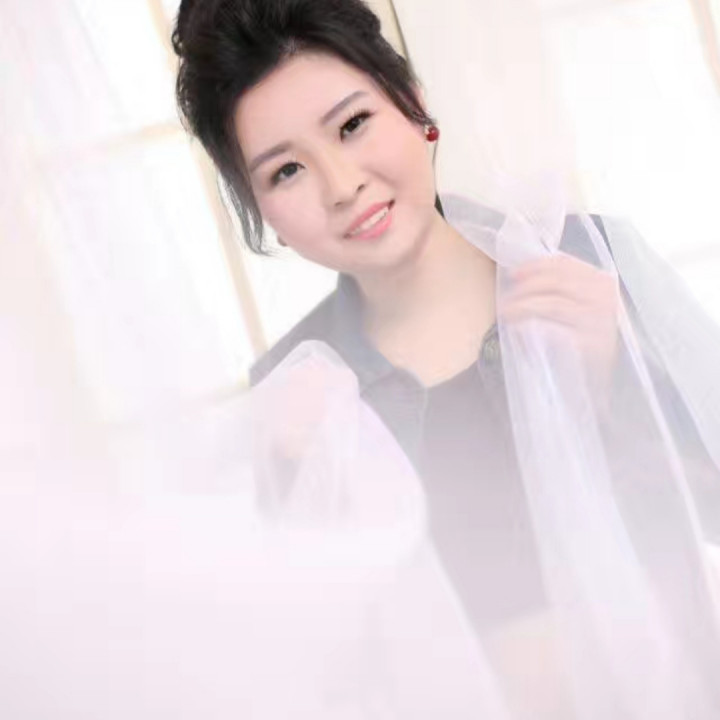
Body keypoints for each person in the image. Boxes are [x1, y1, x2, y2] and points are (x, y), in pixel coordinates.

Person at [172, 0, 720, 717]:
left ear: (412, 101)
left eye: (352, 124)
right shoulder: (292, 394)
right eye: (287, 171)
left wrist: (613, 379)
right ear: (259, 207)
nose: (342, 185)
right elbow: (323, 675)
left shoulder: (589, 261)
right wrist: (308, 499)